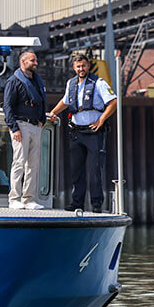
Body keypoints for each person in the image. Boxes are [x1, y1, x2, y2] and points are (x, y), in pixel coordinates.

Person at [48, 54, 117, 212]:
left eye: (84, 66)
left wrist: (101, 120)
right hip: (76, 132)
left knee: (94, 170)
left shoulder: (99, 83)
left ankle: (96, 204)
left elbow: (113, 102)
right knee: (76, 171)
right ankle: (77, 203)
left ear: (88, 66)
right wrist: (53, 112)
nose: (81, 69)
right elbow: (66, 101)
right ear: (74, 68)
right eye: (78, 66)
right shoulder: (70, 84)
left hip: (94, 132)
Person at [3, 51, 47, 210]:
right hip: (21, 125)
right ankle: (14, 198)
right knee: (19, 162)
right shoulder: (14, 81)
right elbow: (7, 106)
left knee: (33, 165)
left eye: (36, 60)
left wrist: (42, 120)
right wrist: (14, 128)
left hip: (36, 126)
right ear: (23, 61)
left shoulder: (36, 81)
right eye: (32, 60)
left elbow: (42, 101)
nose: (36, 63)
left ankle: (29, 199)